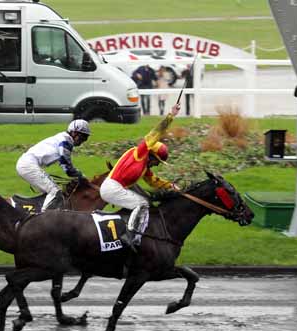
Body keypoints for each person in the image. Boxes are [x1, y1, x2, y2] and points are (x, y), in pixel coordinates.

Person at [100, 103, 181, 251]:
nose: (157, 164)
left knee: (143, 202)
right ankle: (131, 237)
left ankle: (128, 230)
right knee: (143, 204)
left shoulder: (145, 168)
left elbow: (154, 181)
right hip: (112, 188)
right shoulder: (140, 153)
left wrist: (171, 186)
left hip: (114, 188)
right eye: (157, 161)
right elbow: (156, 133)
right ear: (152, 155)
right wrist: (171, 116)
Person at [16, 119, 91, 211]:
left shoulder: (62, 138)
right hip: (28, 165)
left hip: (27, 164)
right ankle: (43, 216)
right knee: (55, 192)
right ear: (74, 133)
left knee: (50, 191)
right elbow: (67, 168)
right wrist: (82, 177)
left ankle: (40, 210)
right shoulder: (66, 141)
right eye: (83, 137)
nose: (83, 141)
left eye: (86, 138)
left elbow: (66, 165)